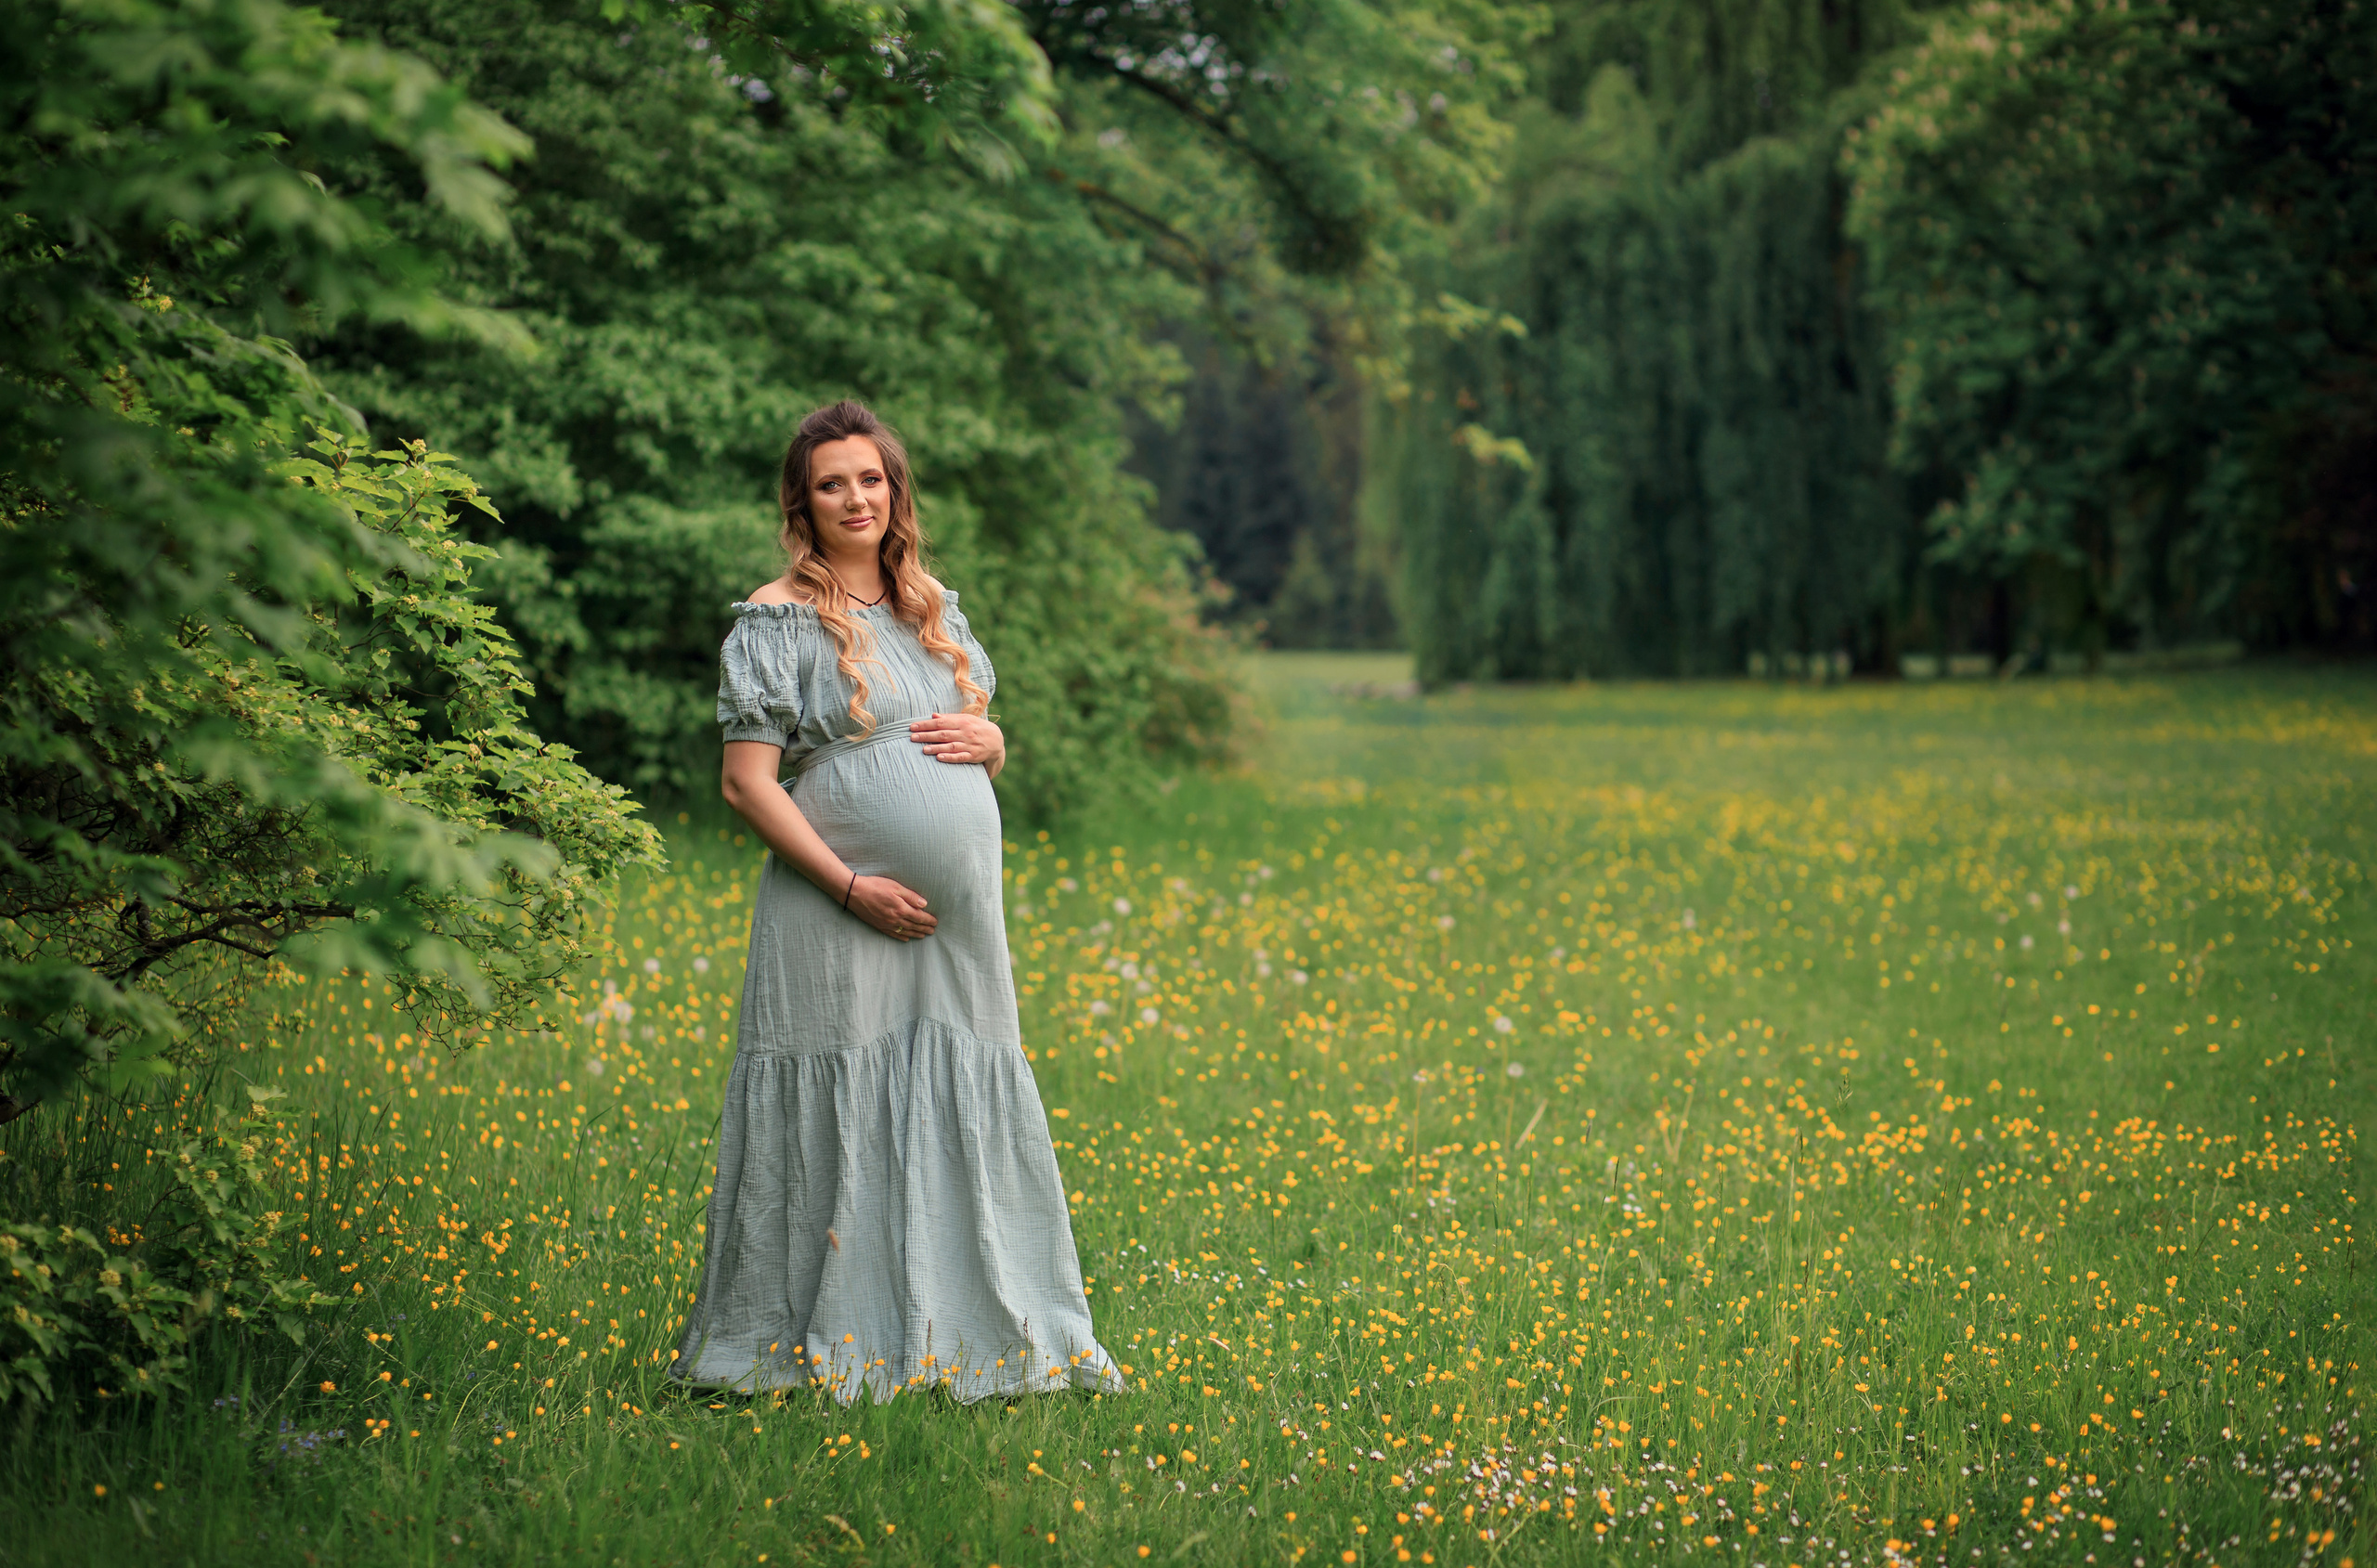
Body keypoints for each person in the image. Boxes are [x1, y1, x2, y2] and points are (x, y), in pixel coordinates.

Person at [667, 399, 1123, 1405]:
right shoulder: (775, 615)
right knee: (838, 1113)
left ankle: (962, 1330)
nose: (854, 497)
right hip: (834, 910)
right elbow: (747, 783)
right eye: (832, 482)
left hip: (953, 930)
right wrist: (850, 885)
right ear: (803, 501)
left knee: (951, 1097)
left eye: (869, 478)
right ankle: (807, 1341)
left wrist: (996, 743)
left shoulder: (930, 605)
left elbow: (974, 731)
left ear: (894, 490)